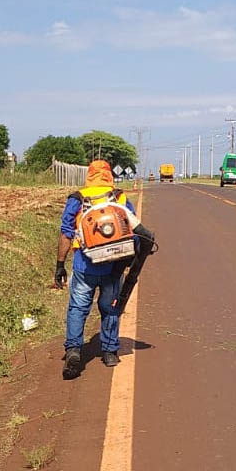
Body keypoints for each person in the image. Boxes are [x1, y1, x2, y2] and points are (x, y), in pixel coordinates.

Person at [55, 160, 155, 380]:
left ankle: (73, 350)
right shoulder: (118, 197)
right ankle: (109, 352)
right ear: (109, 176)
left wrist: (60, 264)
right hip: (113, 266)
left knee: (78, 308)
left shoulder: (77, 199)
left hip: (84, 264)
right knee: (110, 307)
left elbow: (66, 233)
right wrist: (132, 260)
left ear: (89, 176)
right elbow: (134, 230)